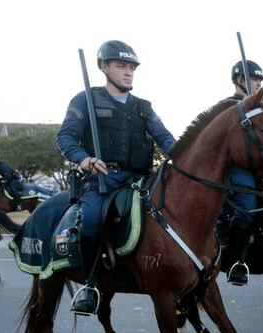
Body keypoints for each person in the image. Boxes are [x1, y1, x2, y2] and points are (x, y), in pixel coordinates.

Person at [57, 40, 175, 315]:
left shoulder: (144, 107)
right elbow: (65, 137)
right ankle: (90, 284)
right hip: (103, 180)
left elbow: (166, 139)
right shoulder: (85, 99)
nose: (128, 72)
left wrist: (182, 156)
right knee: (92, 222)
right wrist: (84, 159)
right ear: (103, 67)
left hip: (141, 179)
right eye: (121, 65)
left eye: (131, 67)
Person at [225, 60, 263, 285]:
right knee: (248, 209)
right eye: (253, 78)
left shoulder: (261, 108)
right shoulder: (227, 107)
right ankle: (235, 260)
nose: (258, 83)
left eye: (259, 79)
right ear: (240, 80)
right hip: (238, 170)